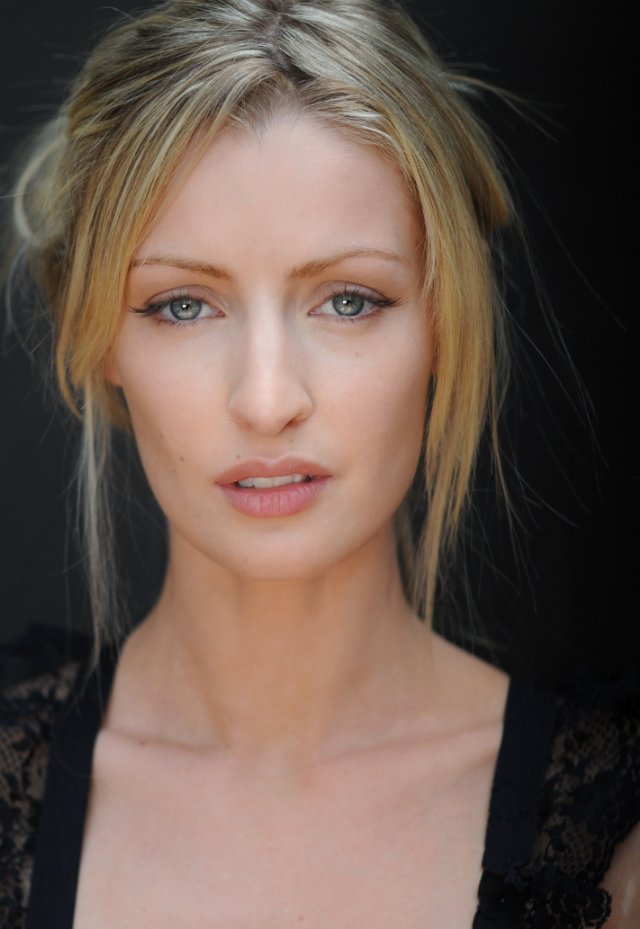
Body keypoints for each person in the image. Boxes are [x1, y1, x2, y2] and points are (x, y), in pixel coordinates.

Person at [0, 1, 638, 927]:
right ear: (97, 337)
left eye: (348, 300)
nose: (267, 400)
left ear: (445, 321)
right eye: (183, 304)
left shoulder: (615, 848)